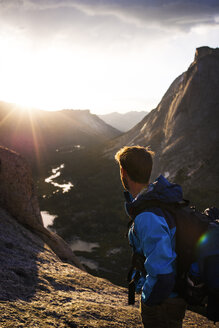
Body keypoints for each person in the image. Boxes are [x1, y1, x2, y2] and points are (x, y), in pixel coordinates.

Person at [115, 145, 186, 328]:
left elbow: (162, 274)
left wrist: (147, 300)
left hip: (163, 303)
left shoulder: (147, 216)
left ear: (123, 172)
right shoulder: (154, 202)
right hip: (171, 298)